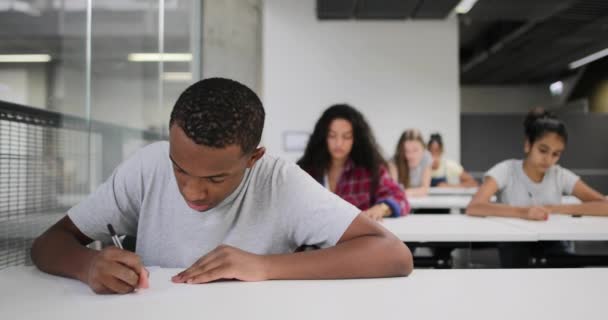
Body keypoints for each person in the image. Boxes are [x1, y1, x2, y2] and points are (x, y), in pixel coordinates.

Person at [31, 78, 413, 294]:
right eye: (180, 169)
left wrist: (265, 266)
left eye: (215, 178)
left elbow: (392, 254)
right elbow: (48, 243)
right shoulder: (147, 166)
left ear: (253, 159)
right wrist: (89, 265)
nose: (193, 192)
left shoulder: (279, 181)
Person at [466, 108, 608, 267]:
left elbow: (605, 206)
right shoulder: (507, 169)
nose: (548, 160)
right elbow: (475, 207)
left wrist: (554, 209)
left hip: (552, 242)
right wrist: (524, 212)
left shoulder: (559, 174)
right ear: (528, 145)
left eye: (556, 154)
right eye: (543, 150)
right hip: (515, 243)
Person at [297, 104, 409, 221]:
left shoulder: (370, 170)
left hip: (355, 238)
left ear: (356, 139)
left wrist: (381, 208)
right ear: (323, 137)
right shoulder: (306, 171)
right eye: (332, 136)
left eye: (346, 137)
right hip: (313, 237)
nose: (338, 143)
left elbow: (401, 199)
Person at [388, 129, 432, 197]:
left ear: (423, 149)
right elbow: (393, 190)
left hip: (418, 201)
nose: (411, 156)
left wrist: (406, 192)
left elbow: (425, 189)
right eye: (406, 150)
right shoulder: (394, 161)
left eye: (415, 150)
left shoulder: (426, 157)